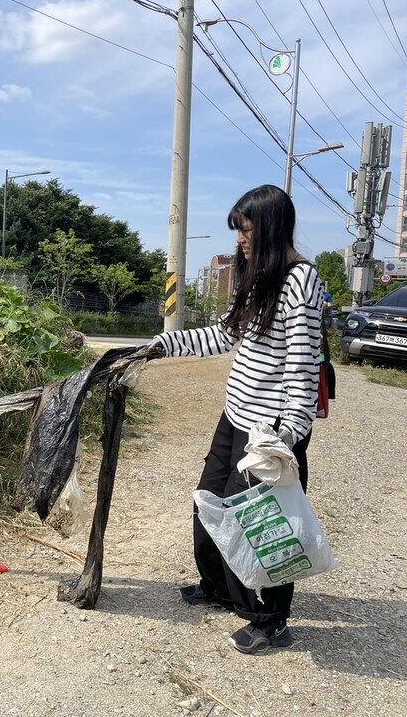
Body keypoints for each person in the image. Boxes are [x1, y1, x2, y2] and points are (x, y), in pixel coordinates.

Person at [148, 184, 324, 655]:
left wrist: (286, 437)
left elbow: (303, 367)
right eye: (238, 232)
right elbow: (223, 336)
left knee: (263, 525)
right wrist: (163, 345)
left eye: (246, 231)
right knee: (210, 502)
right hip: (235, 416)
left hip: (268, 432)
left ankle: (269, 619)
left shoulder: (300, 281)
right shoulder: (254, 276)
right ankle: (219, 587)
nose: (240, 241)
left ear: (269, 228)